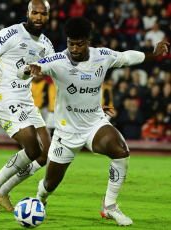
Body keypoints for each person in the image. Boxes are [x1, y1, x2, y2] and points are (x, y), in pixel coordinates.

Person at [17, 17, 169, 226]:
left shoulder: (102, 56)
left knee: (121, 151)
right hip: (66, 133)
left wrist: (154, 54)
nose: (75, 48)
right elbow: (25, 70)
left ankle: (109, 205)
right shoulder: (57, 61)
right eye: (71, 43)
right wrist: (28, 70)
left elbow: (128, 57)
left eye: (79, 43)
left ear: (88, 41)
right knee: (50, 183)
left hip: (94, 124)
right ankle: (40, 200)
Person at [0, 0, 54, 214]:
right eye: (35, 13)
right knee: (33, 148)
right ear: (28, 13)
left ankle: (4, 190)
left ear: (49, 16)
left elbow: (55, 72)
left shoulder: (46, 45)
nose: (38, 18)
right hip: (5, 98)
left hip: (26, 100)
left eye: (43, 14)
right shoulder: (10, 33)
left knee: (44, 154)